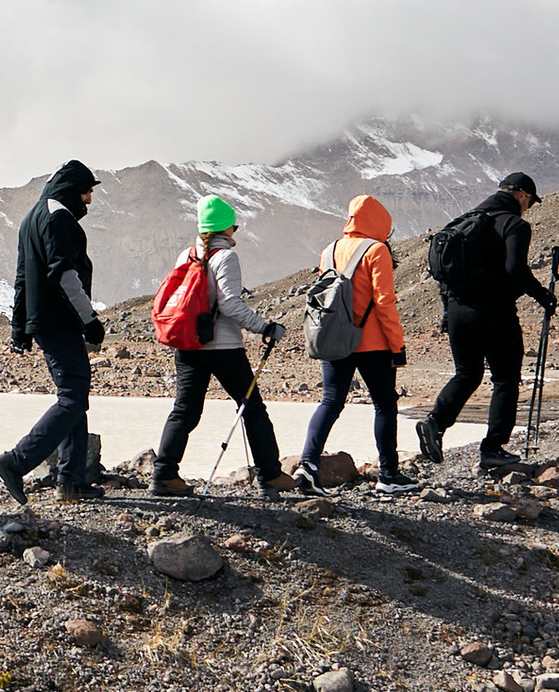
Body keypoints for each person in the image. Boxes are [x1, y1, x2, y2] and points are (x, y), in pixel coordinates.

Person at [149, 195, 291, 496]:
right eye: (234, 226)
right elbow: (229, 304)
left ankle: (164, 475)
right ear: (226, 228)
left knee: (185, 411)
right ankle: (270, 475)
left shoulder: (186, 255)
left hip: (188, 345)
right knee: (252, 409)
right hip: (223, 348)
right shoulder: (225, 258)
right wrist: (265, 327)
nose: (234, 231)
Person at [414, 169, 556, 465]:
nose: (528, 208)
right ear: (522, 195)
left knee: (467, 374)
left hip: (457, 311)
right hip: (494, 312)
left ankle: (435, 423)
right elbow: (515, 269)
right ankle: (492, 449)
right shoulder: (514, 224)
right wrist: (542, 295)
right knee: (505, 378)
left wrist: (448, 311)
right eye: (530, 202)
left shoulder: (466, 221)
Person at [0, 160, 104, 504]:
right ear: (72, 190)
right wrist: (89, 320)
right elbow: (64, 274)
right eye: (86, 192)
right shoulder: (58, 218)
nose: (89, 200)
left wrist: (20, 328)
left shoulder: (31, 218)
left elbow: (22, 278)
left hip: (45, 322)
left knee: (75, 395)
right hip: (60, 322)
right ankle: (16, 461)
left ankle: (70, 480)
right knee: (72, 397)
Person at [294, 194, 412, 493]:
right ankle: (388, 475)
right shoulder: (377, 250)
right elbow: (384, 302)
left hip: (335, 340)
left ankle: (308, 465)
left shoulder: (330, 250)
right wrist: (397, 345)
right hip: (373, 344)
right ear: (381, 221)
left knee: (331, 402)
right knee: (384, 405)